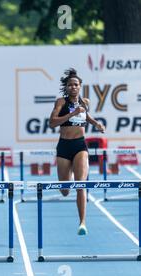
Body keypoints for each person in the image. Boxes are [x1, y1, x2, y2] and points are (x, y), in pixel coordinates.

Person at [49, 68, 105, 235]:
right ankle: (69, 177)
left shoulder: (84, 102)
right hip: (64, 147)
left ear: (80, 87)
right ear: (66, 87)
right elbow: (52, 123)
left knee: (81, 184)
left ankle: (82, 223)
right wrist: (72, 113)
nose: (73, 87)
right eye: (70, 85)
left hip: (80, 146)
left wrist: (96, 124)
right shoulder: (60, 102)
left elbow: (85, 116)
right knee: (65, 190)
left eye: (76, 85)